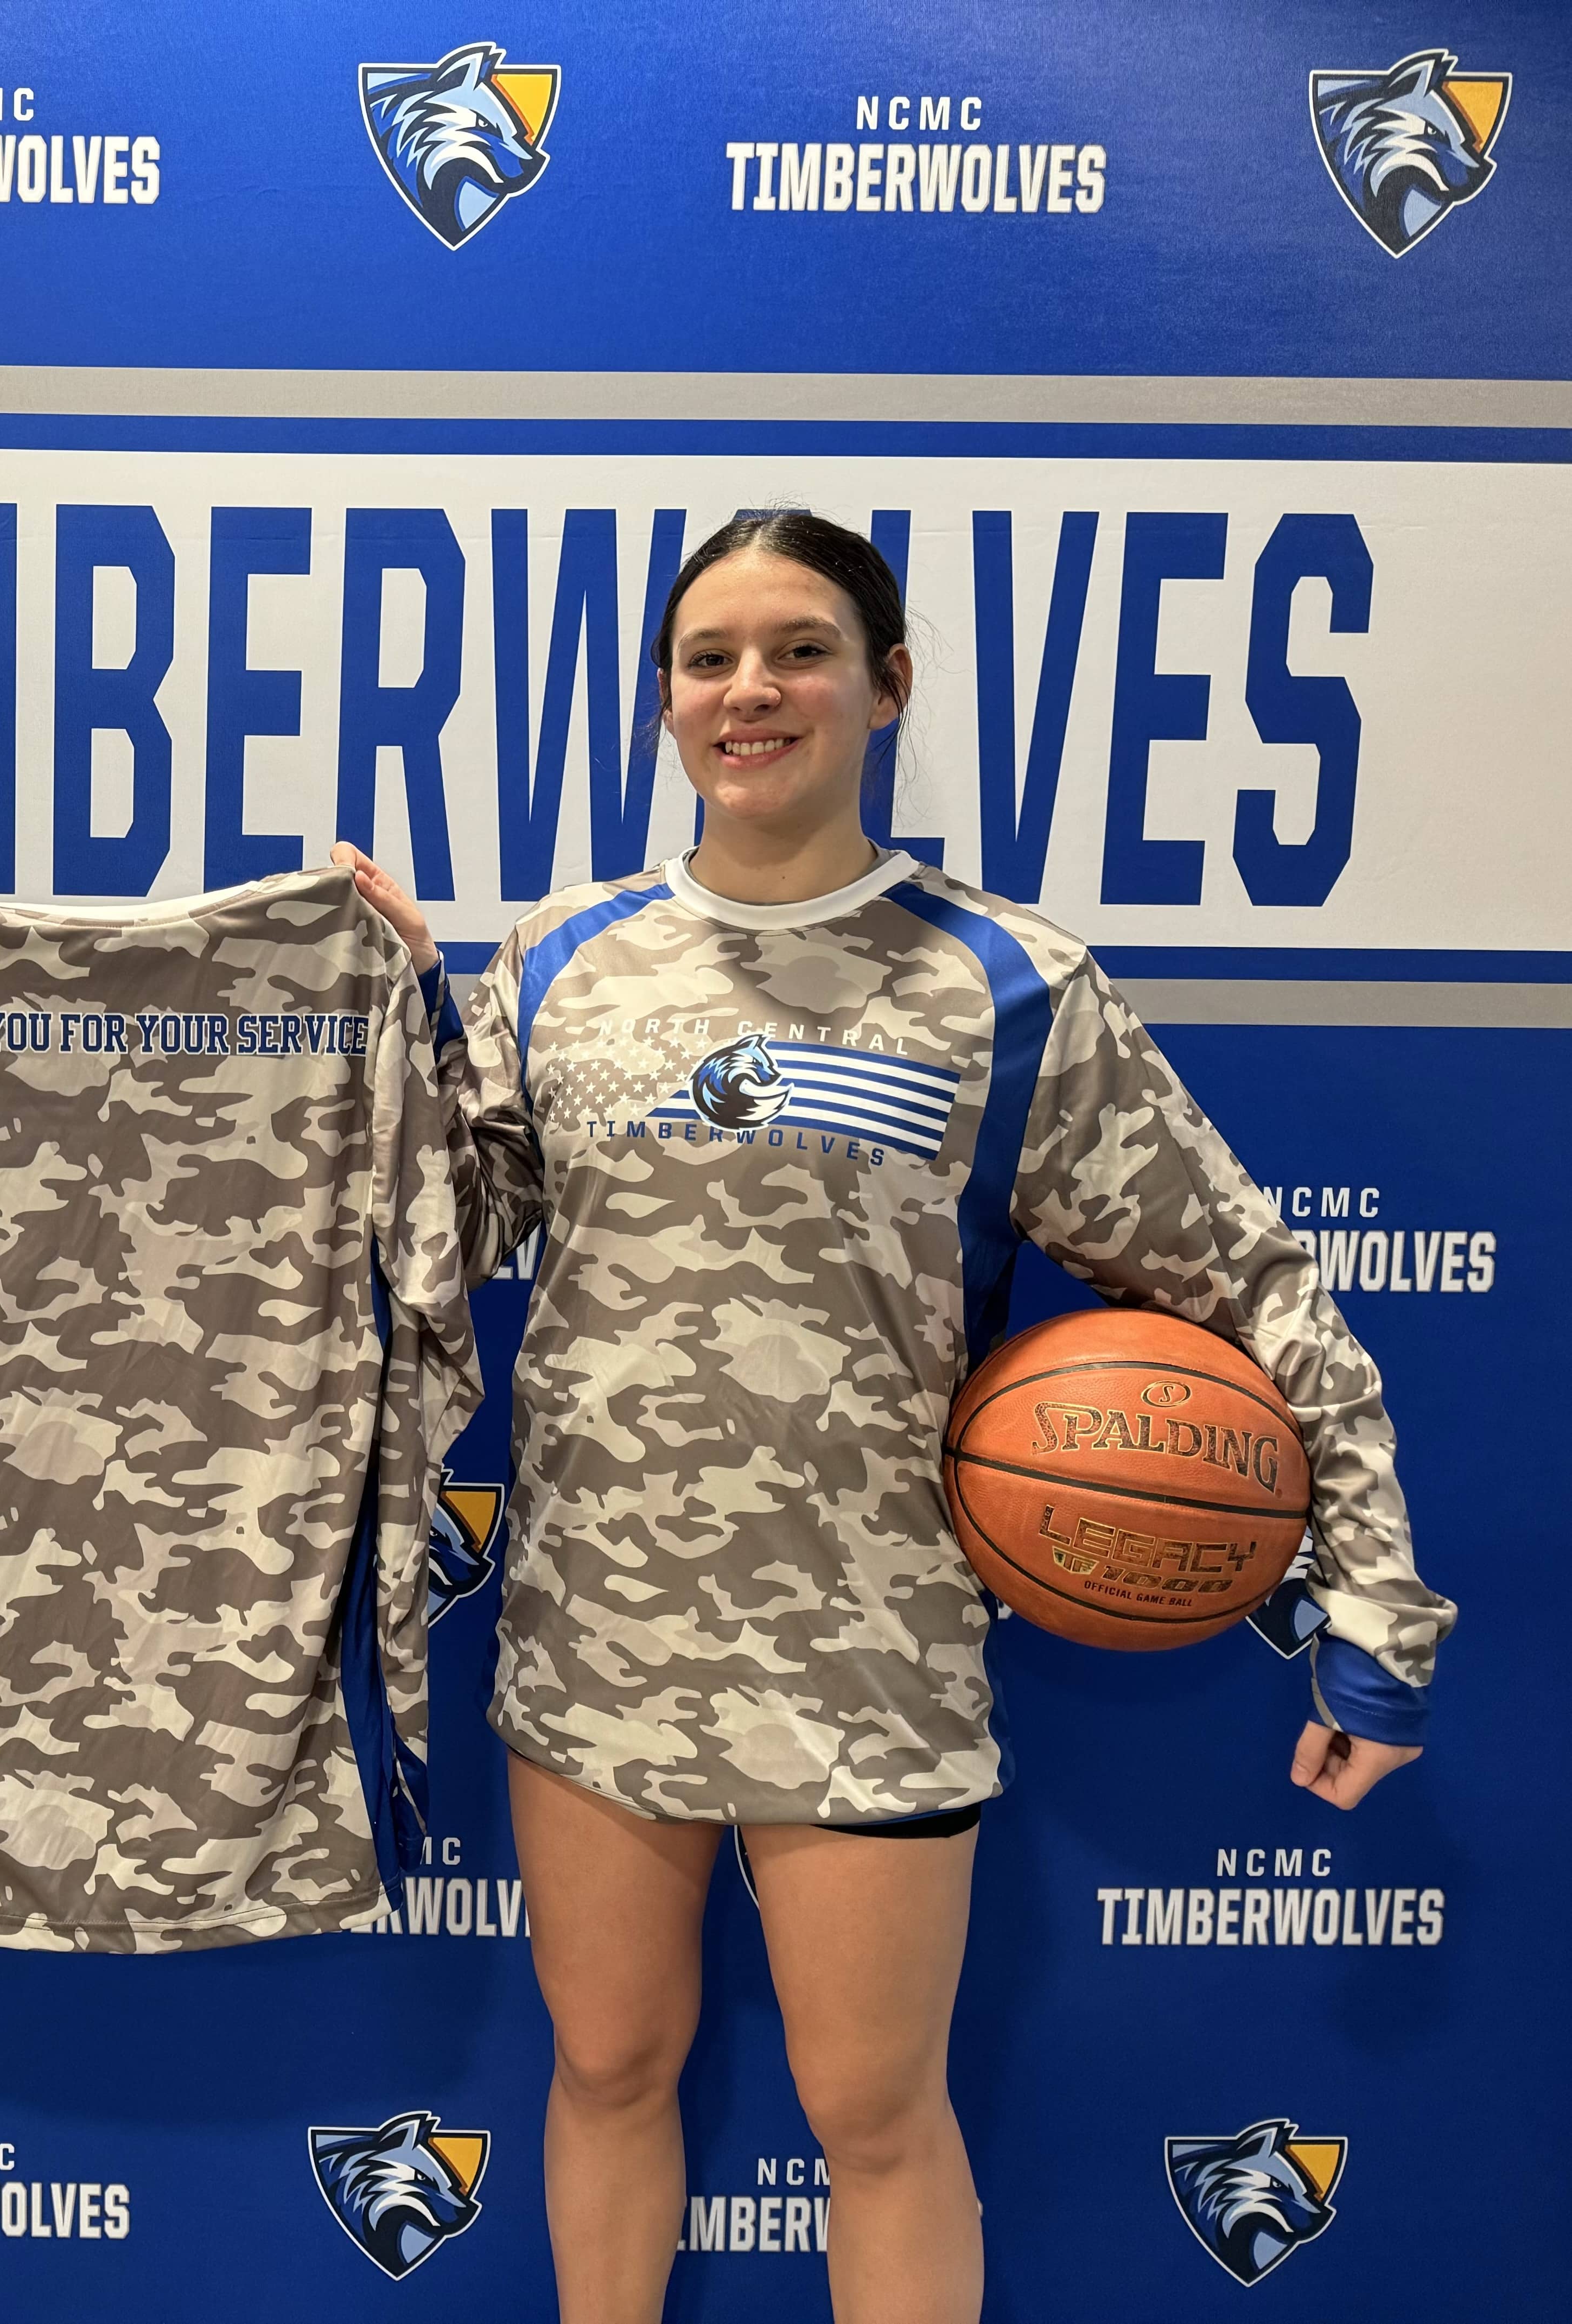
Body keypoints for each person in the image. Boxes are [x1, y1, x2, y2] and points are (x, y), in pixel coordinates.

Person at [335, 507, 1454, 2324]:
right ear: (663, 702)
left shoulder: (1004, 985)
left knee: (873, 2112)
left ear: (885, 687)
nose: (749, 690)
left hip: (869, 1653)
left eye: (797, 652)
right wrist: (398, 1022)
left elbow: (1253, 1285)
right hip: (592, 1637)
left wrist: (1376, 1616)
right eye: (708, 659)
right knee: (606, 2068)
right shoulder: (560, 960)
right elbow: (446, 1236)